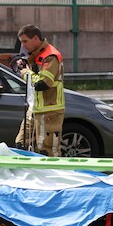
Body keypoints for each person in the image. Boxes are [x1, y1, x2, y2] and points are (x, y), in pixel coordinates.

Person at [14, 25, 64, 156]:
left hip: (49, 112)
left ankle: (53, 175)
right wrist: (26, 65)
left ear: (35, 38)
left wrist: (25, 72)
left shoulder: (50, 56)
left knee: (47, 151)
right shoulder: (36, 55)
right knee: (21, 144)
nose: (23, 46)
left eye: (25, 41)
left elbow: (42, 83)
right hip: (34, 110)